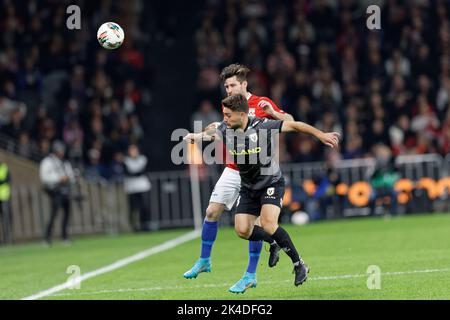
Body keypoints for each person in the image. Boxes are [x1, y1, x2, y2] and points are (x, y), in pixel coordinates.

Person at [186, 94, 339, 290]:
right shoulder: (226, 127)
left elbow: (296, 125)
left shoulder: (262, 125)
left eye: (228, 114)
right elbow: (211, 132)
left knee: (268, 224)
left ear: (242, 114)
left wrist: (321, 135)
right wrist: (194, 137)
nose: (224, 118)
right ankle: (273, 242)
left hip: (270, 183)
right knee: (242, 230)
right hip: (248, 187)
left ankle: (298, 263)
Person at [183, 64, 295, 294]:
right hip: (233, 169)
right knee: (212, 212)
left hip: (258, 173)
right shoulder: (228, 107)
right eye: (226, 86)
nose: (229, 89)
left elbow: (290, 120)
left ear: (244, 84)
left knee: (251, 224)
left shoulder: (261, 103)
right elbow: (219, 128)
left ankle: (250, 275)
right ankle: (205, 260)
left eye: (232, 84)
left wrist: (274, 114)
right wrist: (197, 135)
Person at [39, 141, 75, 245]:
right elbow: (44, 177)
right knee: (54, 213)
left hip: (65, 189)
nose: (62, 152)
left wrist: (69, 177)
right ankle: (47, 238)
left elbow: (70, 176)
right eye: (60, 150)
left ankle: (64, 237)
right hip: (54, 190)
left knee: (67, 213)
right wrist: (59, 179)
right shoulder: (47, 162)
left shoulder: (64, 162)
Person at [123, 144, 152, 231]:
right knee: (134, 208)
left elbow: (141, 171)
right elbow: (129, 172)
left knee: (145, 207)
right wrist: (136, 173)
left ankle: (146, 225)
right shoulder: (126, 161)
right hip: (131, 188)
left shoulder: (142, 159)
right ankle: (135, 226)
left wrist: (135, 173)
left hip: (143, 186)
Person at [0, 160, 12, 244]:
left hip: (4, 196)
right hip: (4, 196)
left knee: (6, 218)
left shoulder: (4, 168)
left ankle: (8, 239)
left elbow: (8, 180)